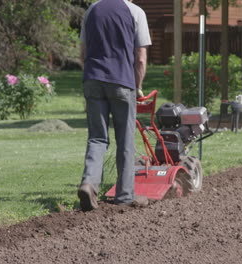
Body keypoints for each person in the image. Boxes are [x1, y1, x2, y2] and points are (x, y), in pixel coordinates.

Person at [77, 0, 151, 211]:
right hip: (122, 81)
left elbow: (83, 53)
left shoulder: (91, 10)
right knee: (125, 139)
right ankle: (125, 194)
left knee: (97, 137)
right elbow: (141, 58)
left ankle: (89, 184)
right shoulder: (135, 12)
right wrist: (138, 86)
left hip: (92, 79)